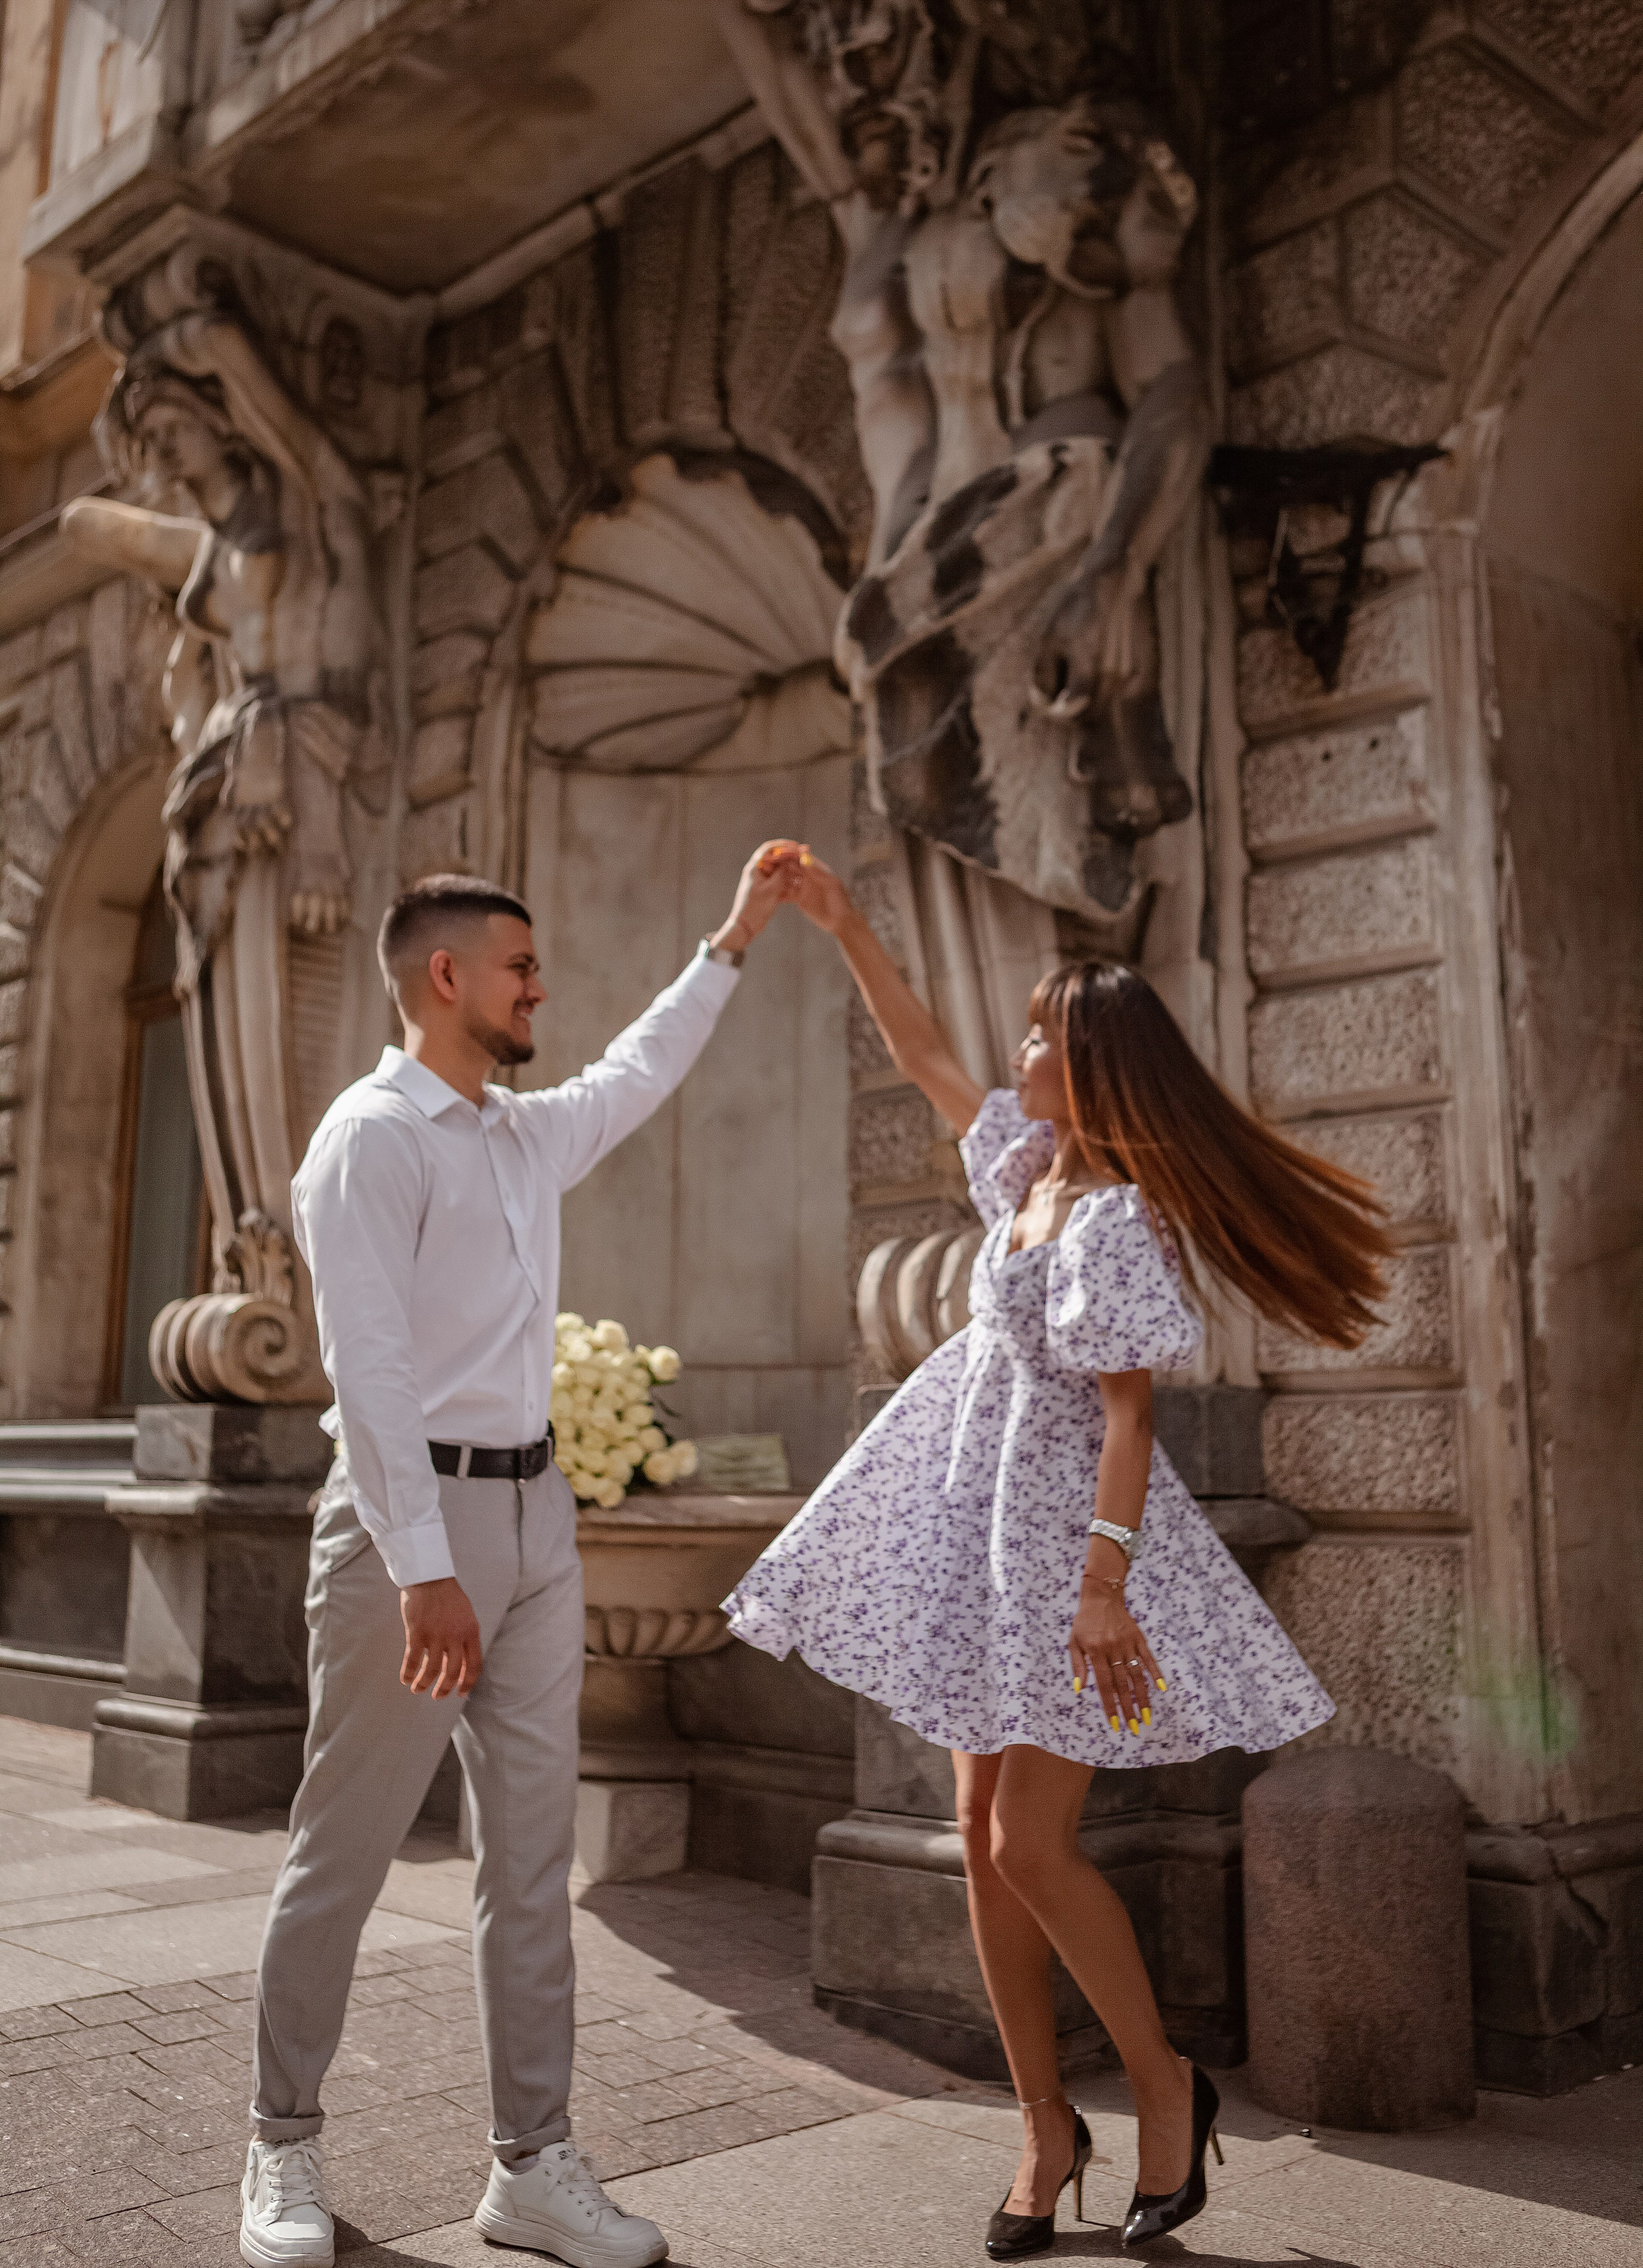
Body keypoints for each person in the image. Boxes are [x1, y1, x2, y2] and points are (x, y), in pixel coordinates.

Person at [723, 850, 1391, 2255]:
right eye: (1025, 1027)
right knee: (974, 1842)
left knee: (1032, 1840)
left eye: (1041, 1032)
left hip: (1069, 1558)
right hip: (976, 1536)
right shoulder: (1026, 1169)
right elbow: (916, 1053)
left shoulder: (1117, 1220)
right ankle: (1043, 2127)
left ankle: (1163, 2087)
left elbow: (1131, 1420)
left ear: (1090, 1064)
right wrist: (844, 925)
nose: (1018, 1048)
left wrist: (1100, 1591)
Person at [240, 848, 799, 2268]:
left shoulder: (514, 1133)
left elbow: (638, 1069)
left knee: (531, 1864)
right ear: (448, 977)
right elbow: (364, 1368)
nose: (539, 988)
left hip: (539, 1522)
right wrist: (423, 1559)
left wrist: (729, 939)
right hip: (403, 1534)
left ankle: (530, 2168)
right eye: (521, 968)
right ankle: (282, 2149)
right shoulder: (371, 1138)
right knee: (343, 1856)